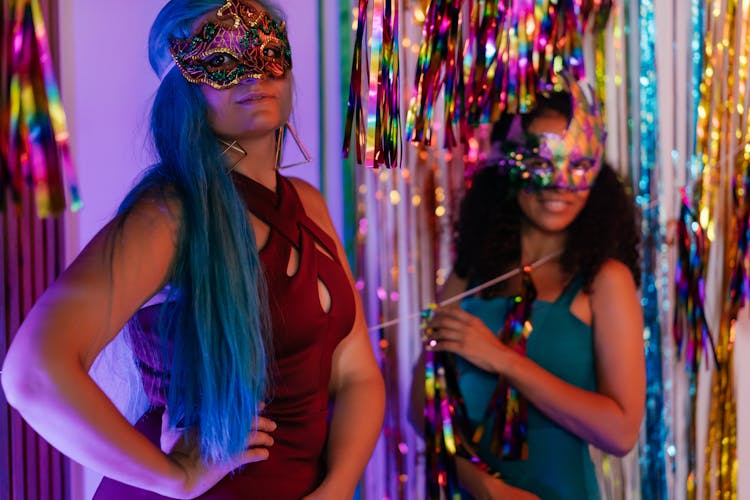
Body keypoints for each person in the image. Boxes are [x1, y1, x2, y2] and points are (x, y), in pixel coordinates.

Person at [1, 1, 384, 498]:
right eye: (222, 61)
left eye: (269, 51)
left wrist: (337, 487)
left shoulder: (307, 205)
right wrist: (176, 478)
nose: (254, 74)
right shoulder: (170, 215)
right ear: (182, 91)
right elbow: (32, 373)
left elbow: (356, 372)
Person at [425, 75, 645, 499]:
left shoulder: (604, 282)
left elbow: (620, 432)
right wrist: (482, 485)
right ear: (507, 163)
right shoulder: (470, 277)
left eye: (577, 164)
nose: (559, 184)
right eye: (540, 162)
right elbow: (425, 406)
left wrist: (503, 359)